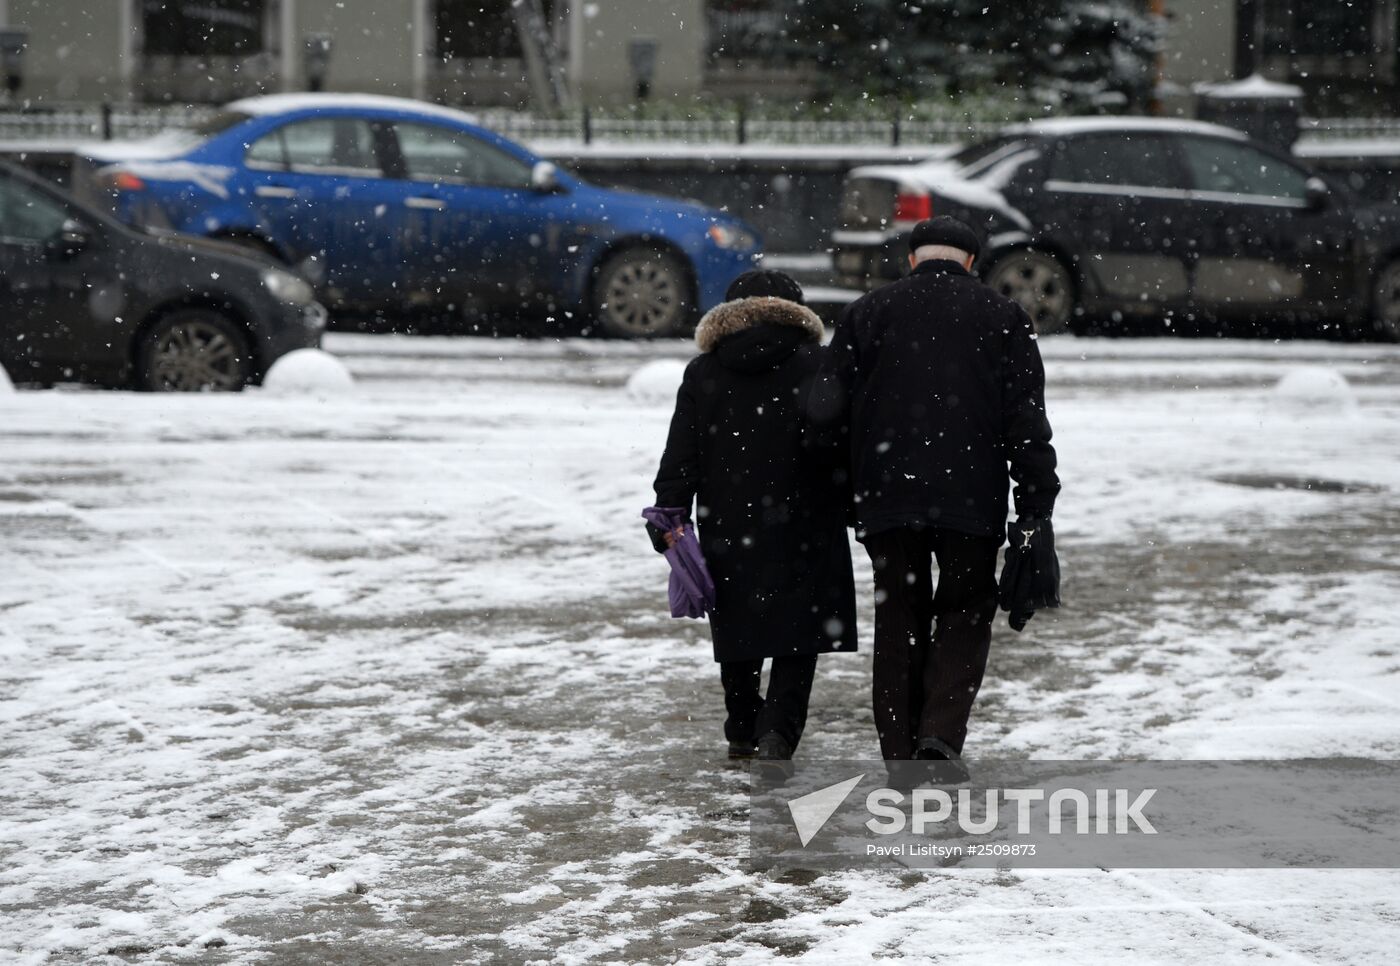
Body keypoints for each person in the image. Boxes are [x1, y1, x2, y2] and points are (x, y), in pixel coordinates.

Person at [811, 216, 1060, 773]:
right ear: (972, 261)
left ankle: (899, 750)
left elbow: (825, 418)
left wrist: (843, 489)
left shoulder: (865, 314)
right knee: (966, 611)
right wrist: (1036, 499)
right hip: (972, 497)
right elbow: (1026, 421)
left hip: (885, 497)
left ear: (912, 258)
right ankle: (940, 740)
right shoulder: (1004, 318)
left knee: (898, 613)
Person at [648, 270, 857, 762]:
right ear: (798, 311)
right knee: (801, 629)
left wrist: (668, 514)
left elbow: (681, 454)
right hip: (806, 516)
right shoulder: (818, 363)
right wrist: (851, 502)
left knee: (738, 621)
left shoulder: (705, 371)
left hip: (730, 518)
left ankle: (742, 721)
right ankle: (778, 732)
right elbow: (838, 445)